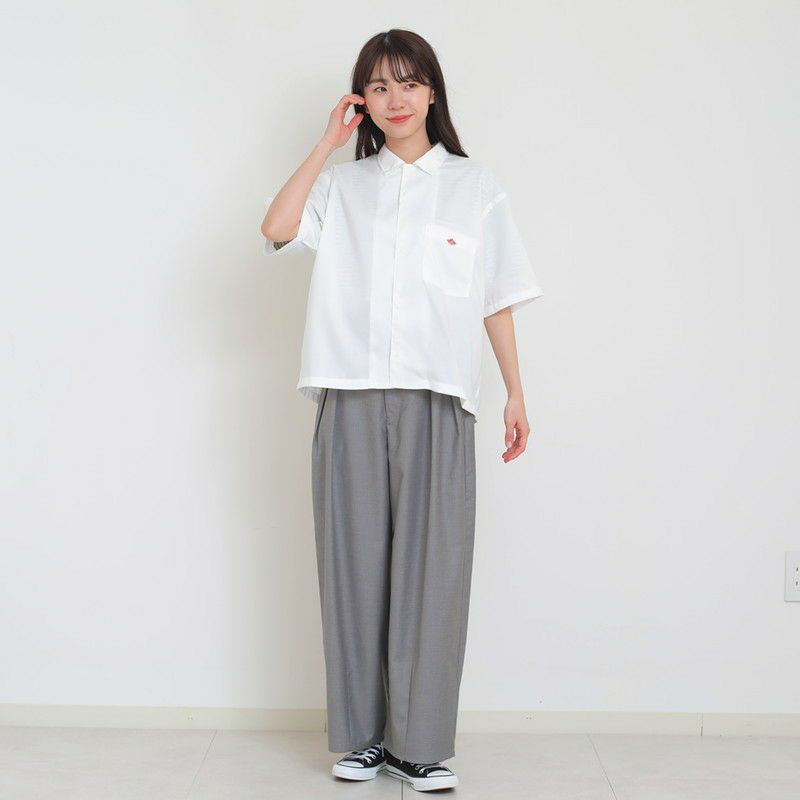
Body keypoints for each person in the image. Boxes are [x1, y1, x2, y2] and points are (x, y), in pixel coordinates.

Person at [260, 28, 543, 793]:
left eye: (409, 83)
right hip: (348, 395)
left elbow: (496, 296)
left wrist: (515, 392)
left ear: (432, 92)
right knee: (352, 570)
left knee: (434, 571)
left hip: (439, 396)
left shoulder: (474, 185)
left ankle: (419, 747)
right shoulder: (342, 187)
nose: (396, 99)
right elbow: (276, 229)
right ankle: (361, 740)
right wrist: (326, 144)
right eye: (379, 86)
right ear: (362, 99)